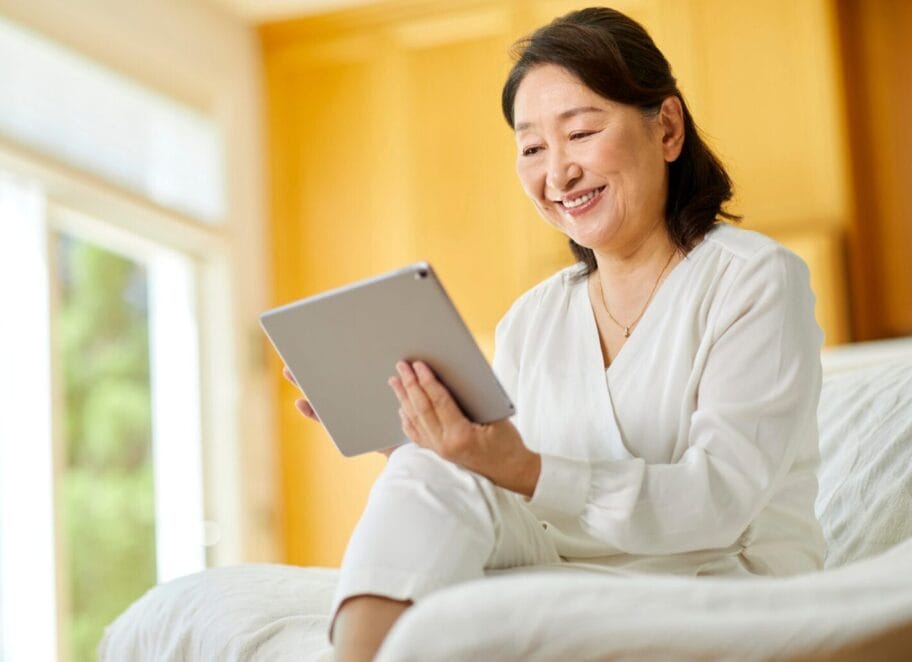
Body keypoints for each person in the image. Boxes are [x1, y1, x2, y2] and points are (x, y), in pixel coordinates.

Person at [284, 7, 825, 661]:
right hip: (564, 575)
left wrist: (516, 466)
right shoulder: (532, 319)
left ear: (668, 127)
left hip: (717, 589)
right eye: (533, 148)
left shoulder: (755, 279)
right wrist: (415, 429)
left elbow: (718, 503)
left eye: (581, 132)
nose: (557, 172)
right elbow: (489, 487)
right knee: (428, 468)